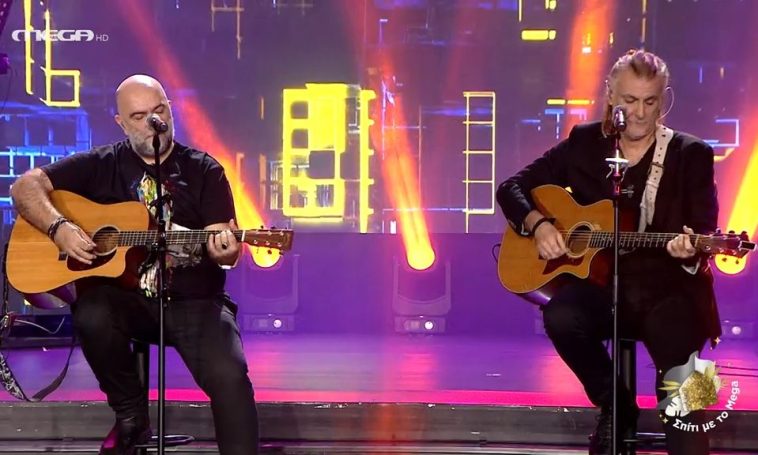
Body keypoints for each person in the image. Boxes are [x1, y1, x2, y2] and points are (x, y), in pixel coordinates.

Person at [10, 75, 259, 455]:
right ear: (121, 123)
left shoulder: (204, 170)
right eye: (139, 117)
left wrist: (226, 251)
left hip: (195, 303)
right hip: (129, 303)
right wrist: (59, 228)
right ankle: (131, 415)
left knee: (231, 377)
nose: (152, 123)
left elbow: (223, 246)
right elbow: (24, 187)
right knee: (91, 311)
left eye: (159, 112)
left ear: (170, 110)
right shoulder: (101, 165)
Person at [497, 49, 719, 455]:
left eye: (650, 102)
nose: (639, 114)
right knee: (560, 316)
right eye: (629, 101)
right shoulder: (585, 142)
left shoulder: (692, 154)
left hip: (672, 292)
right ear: (610, 96)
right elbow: (511, 188)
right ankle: (615, 406)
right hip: (603, 288)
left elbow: (705, 230)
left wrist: (690, 250)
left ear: (664, 100)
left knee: (685, 394)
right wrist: (539, 224)